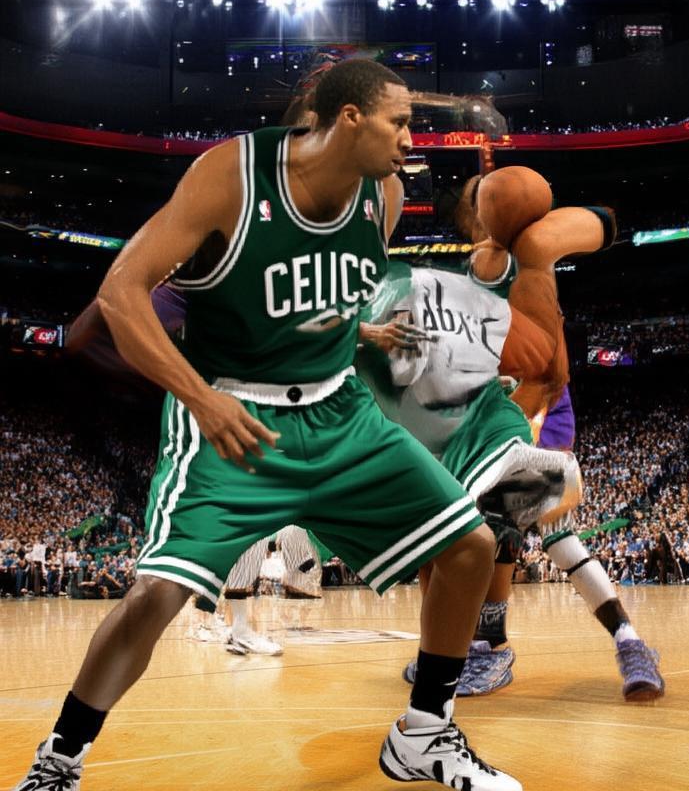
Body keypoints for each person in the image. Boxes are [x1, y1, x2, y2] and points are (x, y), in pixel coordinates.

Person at [14, 59, 520, 791]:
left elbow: (319, 309)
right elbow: (122, 292)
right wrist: (199, 398)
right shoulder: (231, 175)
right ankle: (58, 762)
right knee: (155, 596)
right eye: (400, 122)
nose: (414, 139)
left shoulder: (383, 194)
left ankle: (423, 734)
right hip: (234, 415)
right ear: (349, 118)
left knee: (471, 546)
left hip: (338, 414)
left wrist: (385, 346)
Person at [365, 169, 663, 701]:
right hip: (484, 418)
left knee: (517, 520)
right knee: (470, 531)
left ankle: (500, 646)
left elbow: (550, 372)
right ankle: (468, 645)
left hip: (535, 409)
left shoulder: (530, 259)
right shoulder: (469, 273)